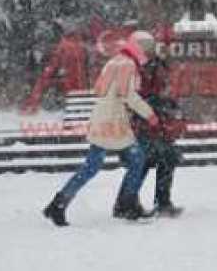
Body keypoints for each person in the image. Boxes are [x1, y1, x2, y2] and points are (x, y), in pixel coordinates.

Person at [42, 31, 160, 226]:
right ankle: (128, 204)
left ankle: (59, 203)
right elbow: (128, 95)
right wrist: (150, 115)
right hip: (115, 123)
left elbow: (100, 89)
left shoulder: (114, 61)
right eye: (147, 49)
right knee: (137, 160)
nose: (148, 54)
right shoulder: (128, 65)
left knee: (91, 167)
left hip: (101, 119)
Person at [113, 52, 187, 218]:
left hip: (148, 130)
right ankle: (132, 202)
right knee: (150, 160)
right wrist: (160, 104)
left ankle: (131, 202)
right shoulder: (142, 74)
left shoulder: (150, 72)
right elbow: (137, 100)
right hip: (140, 130)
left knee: (159, 159)